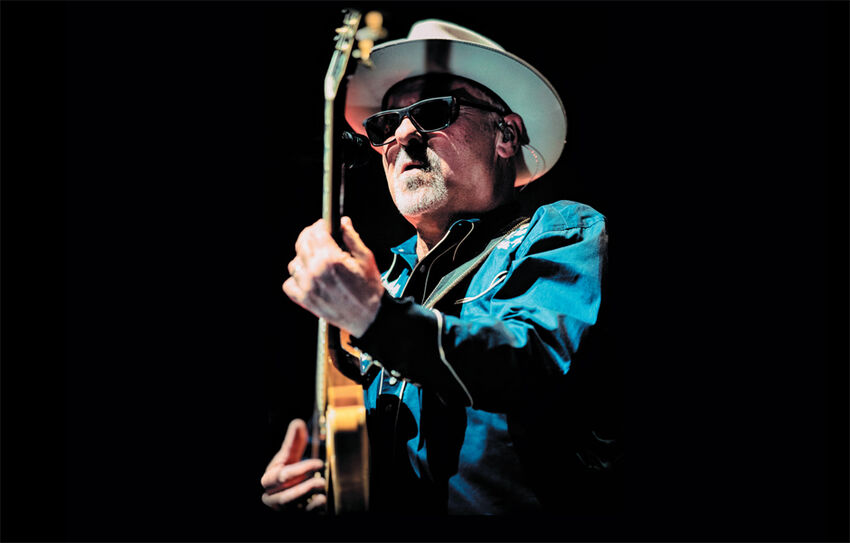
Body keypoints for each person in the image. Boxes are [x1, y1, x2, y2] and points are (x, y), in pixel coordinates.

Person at [261, 19, 620, 515]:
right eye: (384, 125)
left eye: (433, 111)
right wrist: (320, 483)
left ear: (506, 135)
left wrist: (376, 319)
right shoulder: (377, 280)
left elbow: (530, 362)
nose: (402, 135)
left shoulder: (562, 230)